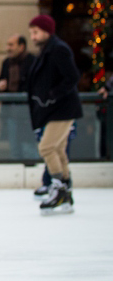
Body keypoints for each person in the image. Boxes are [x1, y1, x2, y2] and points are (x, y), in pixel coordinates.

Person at [26, 14, 82, 214]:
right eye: (31, 32)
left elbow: (72, 76)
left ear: (46, 31)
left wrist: (52, 95)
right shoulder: (47, 50)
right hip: (53, 109)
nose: (32, 37)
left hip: (62, 109)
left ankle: (58, 188)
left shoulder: (58, 49)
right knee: (57, 150)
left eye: (35, 32)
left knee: (47, 147)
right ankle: (65, 192)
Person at [0, 34, 37, 160]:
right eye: (8, 44)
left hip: (27, 114)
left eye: (11, 45)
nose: (8, 48)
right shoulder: (7, 63)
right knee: (14, 148)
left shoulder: (32, 61)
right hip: (11, 112)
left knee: (28, 148)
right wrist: (0, 86)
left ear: (21, 46)